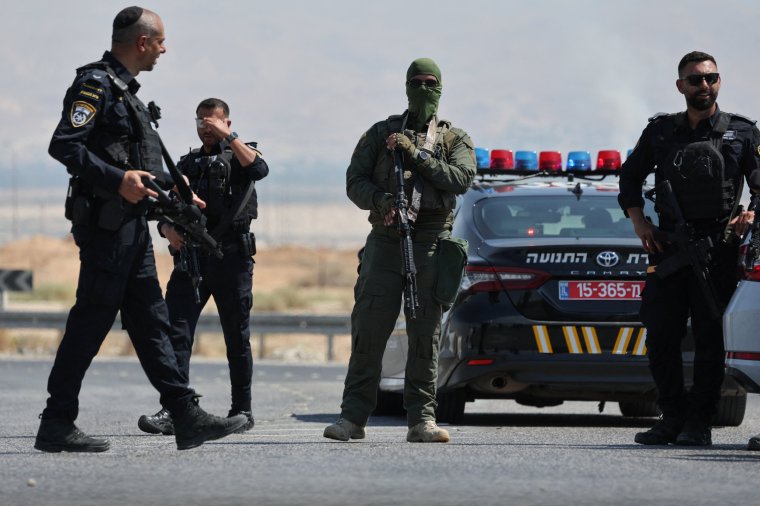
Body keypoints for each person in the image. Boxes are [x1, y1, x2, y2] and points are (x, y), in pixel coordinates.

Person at [35, 6, 248, 453]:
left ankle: (184, 414)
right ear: (142, 42)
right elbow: (64, 145)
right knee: (90, 323)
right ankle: (56, 422)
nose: (165, 49)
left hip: (130, 229)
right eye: (161, 41)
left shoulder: (126, 94)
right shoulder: (94, 85)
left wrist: (177, 186)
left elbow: (135, 160)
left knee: (153, 321)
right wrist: (117, 181)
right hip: (107, 228)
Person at [323, 58, 476, 443]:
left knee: (426, 337)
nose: (423, 89)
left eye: (430, 83)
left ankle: (421, 420)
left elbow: (460, 178)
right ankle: (352, 418)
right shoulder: (381, 134)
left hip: (431, 245)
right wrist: (381, 200)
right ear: (406, 86)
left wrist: (416, 154)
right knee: (369, 332)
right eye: (416, 82)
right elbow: (354, 181)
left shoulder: (454, 140)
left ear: (439, 88)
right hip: (386, 244)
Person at [618, 51, 760, 447]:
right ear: (680, 85)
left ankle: (699, 423)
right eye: (695, 80)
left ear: (719, 82)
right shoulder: (662, 132)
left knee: (711, 340)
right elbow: (629, 177)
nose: (704, 86)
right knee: (660, 334)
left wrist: (749, 212)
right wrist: (639, 221)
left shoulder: (743, 132)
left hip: (720, 251)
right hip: (670, 248)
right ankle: (671, 417)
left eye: (711, 79)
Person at [137, 98, 268, 435]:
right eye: (200, 123)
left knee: (236, 338)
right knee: (175, 334)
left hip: (232, 260)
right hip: (191, 259)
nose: (204, 129)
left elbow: (259, 170)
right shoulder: (186, 164)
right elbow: (161, 210)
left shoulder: (240, 156)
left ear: (226, 122)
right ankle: (175, 409)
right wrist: (169, 232)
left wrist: (229, 137)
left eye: (211, 123)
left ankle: (242, 409)